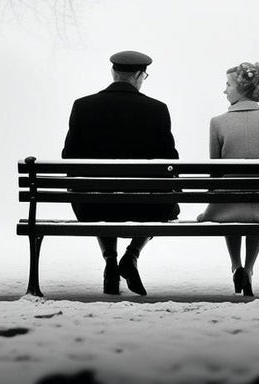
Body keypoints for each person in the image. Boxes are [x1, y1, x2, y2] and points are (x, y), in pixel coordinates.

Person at [62, 50, 179, 296]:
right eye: (144, 75)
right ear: (138, 75)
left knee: (98, 193)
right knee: (166, 200)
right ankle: (131, 255)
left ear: (113, 73)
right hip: (145, 207)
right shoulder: (157, 109)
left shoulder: (83, 106)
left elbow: (68, 157)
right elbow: (170, 161)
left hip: (93, 207)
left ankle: (110, 261)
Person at [197, 61, 259, 296]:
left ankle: (235, 265)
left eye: (228, 84)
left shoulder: (217, 122)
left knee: (229, 197)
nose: (224, 90)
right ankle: (249, 269)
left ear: (242, 88)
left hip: (226, 207)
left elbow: (215, 173)